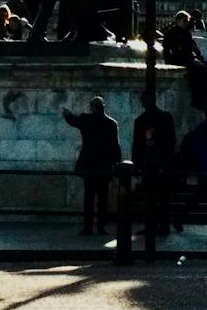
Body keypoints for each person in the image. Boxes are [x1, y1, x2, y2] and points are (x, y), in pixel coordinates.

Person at [62, 97, 121, 235]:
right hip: (104, 165)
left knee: (89, 197)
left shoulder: (86, 120)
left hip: (89, 165)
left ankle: (87, 227)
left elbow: (73, 120)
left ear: (92, 107)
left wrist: (67, 114)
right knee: (102, 198)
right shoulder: (111, 123)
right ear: (103, 107)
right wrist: (116, 164)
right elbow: (115, 146)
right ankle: (101, 227)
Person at [131, 98, 180, 236]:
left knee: (155, 197)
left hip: (153, 163)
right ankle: (162, 225)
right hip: (157, 163)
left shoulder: (142, 120)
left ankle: (157, 225)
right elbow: (171, 141)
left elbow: (137, 146)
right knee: (161, 197)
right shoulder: (161, 118)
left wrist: (138, 163)